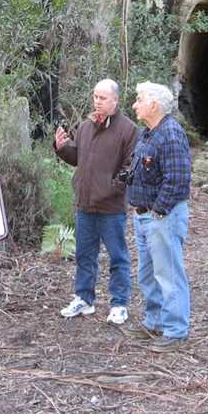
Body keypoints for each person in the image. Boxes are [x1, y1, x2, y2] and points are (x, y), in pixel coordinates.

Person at [54, 79, 138, 325]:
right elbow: (77, 157)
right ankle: (83, 299)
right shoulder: (86, 126)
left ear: (115, 100)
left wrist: (111, 189)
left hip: (111, 208)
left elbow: (129, 167)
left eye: (102, 98)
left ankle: (119, 304)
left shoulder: (128, 129)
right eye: (95, 97)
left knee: (118, 257)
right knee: (84, 255)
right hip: (85, 205)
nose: (97, 101)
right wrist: (62, 148)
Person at [122, 82, 192, 352]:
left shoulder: (171, 134)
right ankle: (155, 322)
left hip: (162, 217)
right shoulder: (148, 133)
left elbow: (178, 179)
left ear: (154, 104)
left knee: (169, 273)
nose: (135, 104)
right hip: (144, 217)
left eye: (139, 99)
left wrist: (159, 211)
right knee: (148, 274)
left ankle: (175, 330)